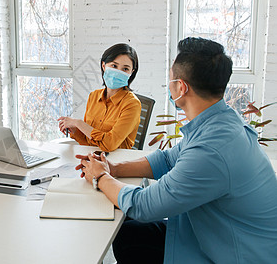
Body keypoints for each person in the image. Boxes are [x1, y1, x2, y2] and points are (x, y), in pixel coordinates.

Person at [75, 37, 277, 263]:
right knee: (128, 229)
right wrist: (113, 168)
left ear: (181, 87)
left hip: (231, 253)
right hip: (212, 233)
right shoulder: (220, 122)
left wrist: (100, 177)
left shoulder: (212, 149)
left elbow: (144, 206)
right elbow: (167, 161)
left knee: (130, 231)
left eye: (170, 78)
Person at [58, 43, 141, 152]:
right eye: (114, 66)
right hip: (92, 159)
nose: (118, 72)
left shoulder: (132, 104)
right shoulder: (94, 96)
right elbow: (89, 142)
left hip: (116, 164)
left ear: (131, 72)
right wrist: (76, 131)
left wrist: (78, 123)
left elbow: (109, 144)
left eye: (125, 69)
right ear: (103, 66)